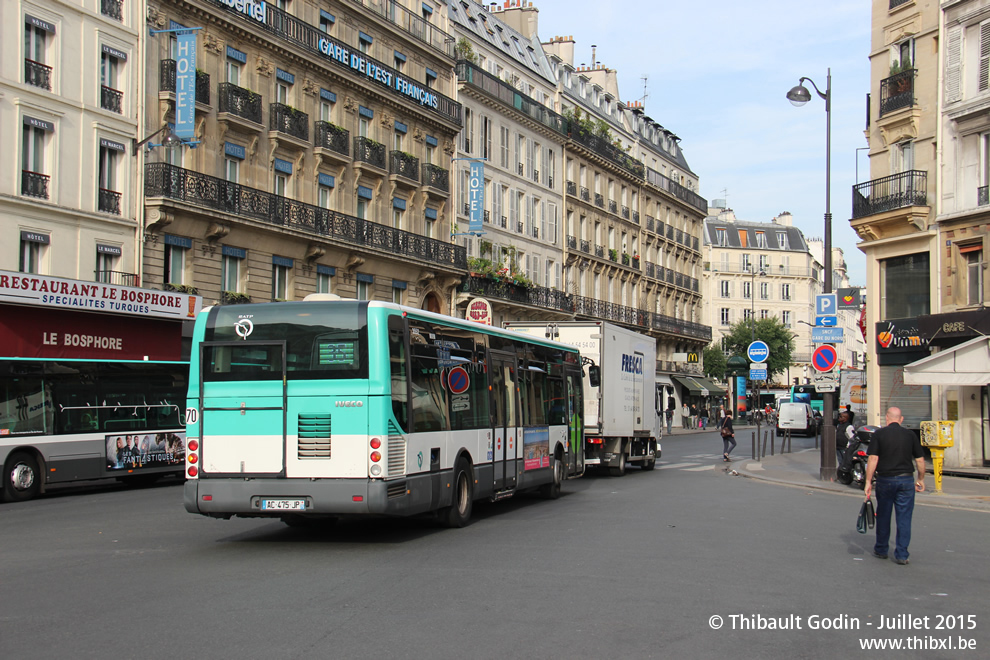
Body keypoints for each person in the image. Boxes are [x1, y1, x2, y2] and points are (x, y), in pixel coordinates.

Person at [864, 407, 926, 565]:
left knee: (883, 515)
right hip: (906, 480)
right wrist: (921, 479)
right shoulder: (910, 435)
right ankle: (902, 554)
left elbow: (873, 459)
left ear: (886, 418)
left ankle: (881, 549)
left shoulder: (879, 434)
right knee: (904, 518)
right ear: (901, 419)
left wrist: (868, 481)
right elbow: (919, 460)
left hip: (885, 480)